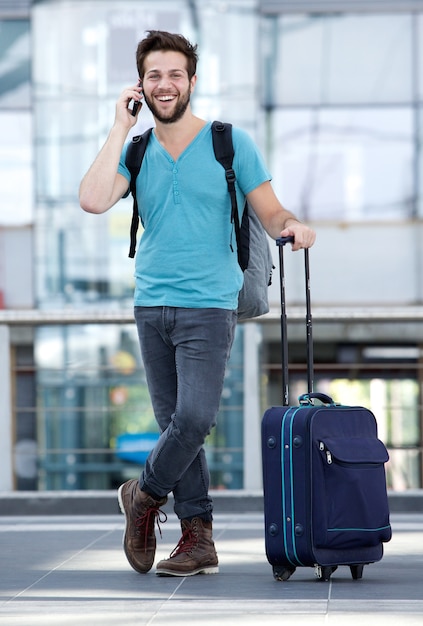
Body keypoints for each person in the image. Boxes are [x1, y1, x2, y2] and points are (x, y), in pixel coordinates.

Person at [79, 30, 316, 577]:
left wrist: (294, 225)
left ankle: (143, 496)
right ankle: (198, 540)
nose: (165, 85)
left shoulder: (229, 142)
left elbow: (271, 211)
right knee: (171, 425)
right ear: (141, 84)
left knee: (193, 417)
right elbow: (93, 200)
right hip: (150, 304)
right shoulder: (135, 150)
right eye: (154, 75)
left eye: (175, 74)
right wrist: (121, 124)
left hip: (209, 302)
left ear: (191, 81)